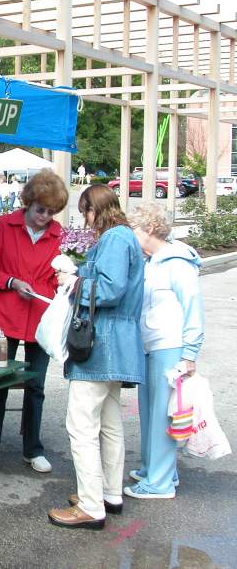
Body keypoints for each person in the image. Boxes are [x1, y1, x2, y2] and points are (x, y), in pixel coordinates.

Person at [48, 185, 145, 530]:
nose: (85, 220)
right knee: (109, 423)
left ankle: (91, 505)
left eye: (86, 211)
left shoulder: (116, 239)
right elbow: (107, 279)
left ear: (95, 209)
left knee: (81, 425)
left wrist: (73, 283)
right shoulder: (124, 237)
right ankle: (109, 493)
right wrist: (77, 271)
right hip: (118, 343)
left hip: (102, 343)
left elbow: (110, 288)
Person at [0, 169, 69, 474]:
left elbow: (63, 276)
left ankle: (33, 447)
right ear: (28, 202)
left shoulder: (59, 236)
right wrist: (12, 281)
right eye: (40, 209)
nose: (45, 217)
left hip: (40, 318)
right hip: (3, 314)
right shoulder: (4, 226)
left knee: (36, 385)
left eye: (51, 212)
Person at [126, 202, 203, 499]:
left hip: (169, 347)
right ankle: (154, 470)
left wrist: (189, 354)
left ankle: (159, 483)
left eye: (134, 229)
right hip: (153, 346)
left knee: (162, 416)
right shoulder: (154, 261)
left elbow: (193, 309)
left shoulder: (177, 262)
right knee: (152, 413)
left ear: (148, 228)